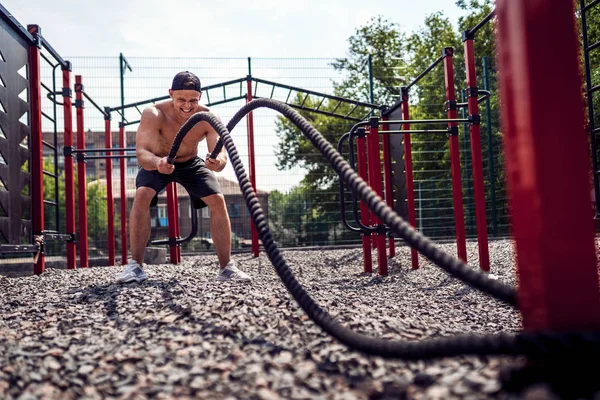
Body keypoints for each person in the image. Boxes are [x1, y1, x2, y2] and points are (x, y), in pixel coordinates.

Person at [117, 71, 251, 283]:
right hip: (159, 161)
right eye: (181, 99)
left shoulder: (209, 117)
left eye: (193, 100)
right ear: (171, 94)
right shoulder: (153, 114)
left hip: (190, 163)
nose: (187, 106)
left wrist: (217, 162)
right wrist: (158, 163)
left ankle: (227, 268)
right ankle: (135, 267)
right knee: (142, 194)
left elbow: (221, 154)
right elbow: (142, 154)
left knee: (218, 200)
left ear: (200, 97)